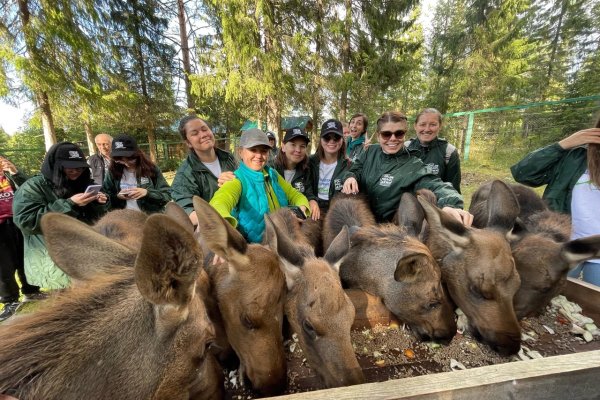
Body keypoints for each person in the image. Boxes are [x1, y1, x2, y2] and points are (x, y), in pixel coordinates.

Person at [341, 111, 473, 226]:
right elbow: (355, 169)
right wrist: (350, 177)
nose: (393, 139)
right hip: (358, 221)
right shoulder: (370, 152)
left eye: (398, 134)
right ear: (378, 135)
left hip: (388, 231)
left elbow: (437, 185)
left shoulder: (413, 165)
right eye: (386, 134)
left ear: (404, 134)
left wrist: (451, 205)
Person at [511, 117, 600, 286]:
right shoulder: (576, 156)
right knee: (546, 299)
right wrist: (561, 146)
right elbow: (523, 173)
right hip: (561, 246)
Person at [13, 142, 108, 289]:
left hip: (84, 255)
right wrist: (69, 204)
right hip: (53, 260)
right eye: (70, 166)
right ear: (56, 165)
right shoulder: (33, 187)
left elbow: (93, 219)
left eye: (80, 167)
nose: (76, 171)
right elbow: (26, 222)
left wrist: (99, 203)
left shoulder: (81, 182)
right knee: (65, 302)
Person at [210, 128, 311, 243]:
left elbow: (294, 194)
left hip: (281, 243)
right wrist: (223, 232)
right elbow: (219, 203)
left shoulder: (273, 174)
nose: (259, 155)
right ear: (240, 152)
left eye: (263, 151)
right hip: (254, 251)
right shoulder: (236, 180)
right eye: (253, 150)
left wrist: (301, 209)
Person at [0, 156, 46, 321]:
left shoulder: (10, 176)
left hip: (18, 221)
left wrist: (15, 172)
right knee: (4, 264)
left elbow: (29, 188)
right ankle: (10, 300)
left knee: (24, 258)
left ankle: (31, 290)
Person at [171, 115, 238, 226]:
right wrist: (218, 218)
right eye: (195, 133)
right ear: (188, 143)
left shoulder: (228, 158)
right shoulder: (186, 174)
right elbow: (186, 213)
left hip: (240, 226)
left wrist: (236, 180)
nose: (203, 135)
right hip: (213, 232)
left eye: (204, 129)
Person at [102, 134, 171, 213]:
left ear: (137, 155)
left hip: (149, 218)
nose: (127, 163)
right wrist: (117, 197)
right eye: (121, 160)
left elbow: (167, 195)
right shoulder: (113, 171)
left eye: (130, 159)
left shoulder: (151, 169)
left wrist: (147, 193)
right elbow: (106, 196)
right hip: (123, 219)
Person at [405, 108, 462, 193]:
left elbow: (453, 190)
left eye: (433, 124)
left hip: (434, 204)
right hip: (406, 203)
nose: (427, 129)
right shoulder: (405, 148)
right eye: (422, 124)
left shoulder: (449, 152)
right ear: (415, 126)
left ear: (440, 126)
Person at [306, 119, 350, 220]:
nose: (332, 141)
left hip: (337, 211)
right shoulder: (310, 162)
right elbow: (306, 184)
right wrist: (311, 199)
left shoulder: (348, 165)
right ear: (321, 139)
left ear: (342, 139)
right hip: (314, 207)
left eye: (336, 138)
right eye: (327, 137)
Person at [271, 126, 311, 196]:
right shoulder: (271, 169)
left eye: (302, 146)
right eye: (293, 145)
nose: (298, 150)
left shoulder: (306, 170)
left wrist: (312, 200)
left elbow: (309, 194)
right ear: (283, 147)